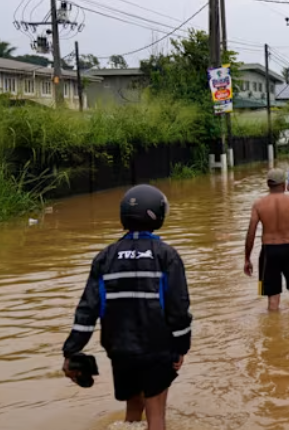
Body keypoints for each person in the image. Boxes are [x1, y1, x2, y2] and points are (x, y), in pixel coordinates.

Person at [62, 184, 191, 430]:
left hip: (119, 349)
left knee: (132, 412)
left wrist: (71, 351)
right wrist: (181, 347)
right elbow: (178, 308)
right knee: (156, 417)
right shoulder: (167, 256)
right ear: (157, 215)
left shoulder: (105, 257)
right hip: (156, 349)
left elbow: (87, 310)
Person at [245, 168, 289, 311]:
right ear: (284, 184)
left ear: (268, 184)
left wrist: (247, 258)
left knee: (273, 298)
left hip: (269, 251)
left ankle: (273, 325)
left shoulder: (258, 204)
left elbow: (251, 232)